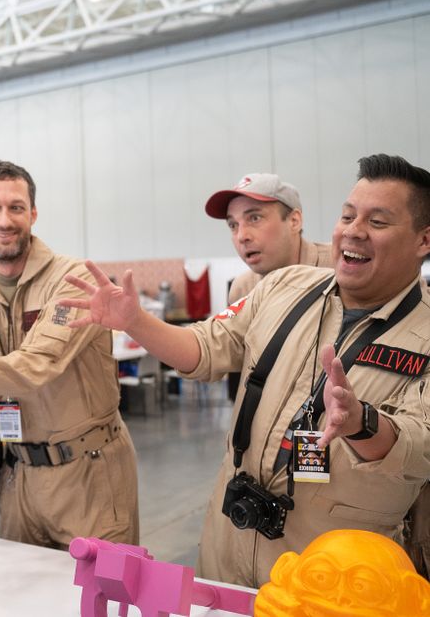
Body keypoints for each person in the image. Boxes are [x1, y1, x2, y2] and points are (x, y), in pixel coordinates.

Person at [61, 154, 430, 587]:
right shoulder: (281, 286)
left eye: (378, 222)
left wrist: (363, 424)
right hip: (231, 541)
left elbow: (420, 444)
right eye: (347, 215)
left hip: (335, 567)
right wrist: (136, 322)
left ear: (424, 240)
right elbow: (204, 347)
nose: (353, 230)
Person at [0, 160, 139, 549]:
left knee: (97, 603)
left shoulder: (74, 281)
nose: (5, 220)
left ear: (33, 214)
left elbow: (38, 364)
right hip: (17, 476)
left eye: (16, 207)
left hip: (89, 475)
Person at [205, 173, 333, 303]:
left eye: (255, 218)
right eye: (233, 225)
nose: (241, 236)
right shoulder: (242, 290)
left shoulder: (340, 267)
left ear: (294, 221)